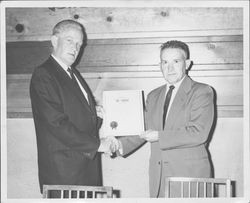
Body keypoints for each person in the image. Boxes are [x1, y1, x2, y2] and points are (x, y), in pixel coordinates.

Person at [116, 40, 215, 197]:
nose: (170, 68)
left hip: (189, 179)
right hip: (159, 179)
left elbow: (198, 133)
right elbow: (143, 128)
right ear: (159, 65)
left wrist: (159, 136)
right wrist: (118, 144)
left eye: (176, 61)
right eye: (165, 62)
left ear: (187, 64)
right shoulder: (153, 96)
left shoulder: (202, 92)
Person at [29, 19, 116, 196]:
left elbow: (77, 117)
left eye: (79, 44)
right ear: (54, 41)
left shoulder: (73, 73)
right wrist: (99, 145)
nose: (75, 48)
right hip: (64, 175)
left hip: (84, 171)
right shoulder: (44, 74)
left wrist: (96, 115)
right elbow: (56, 124)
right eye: (70, 40)